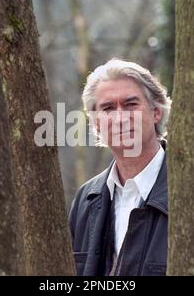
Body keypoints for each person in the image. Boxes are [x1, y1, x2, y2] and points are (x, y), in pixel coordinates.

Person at [69, 59, 172, 276]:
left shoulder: (190, 192)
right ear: (96, 123)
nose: (120, 118)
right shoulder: (85, 199)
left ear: (156, 112)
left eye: (130, 104)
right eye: (108, 108)